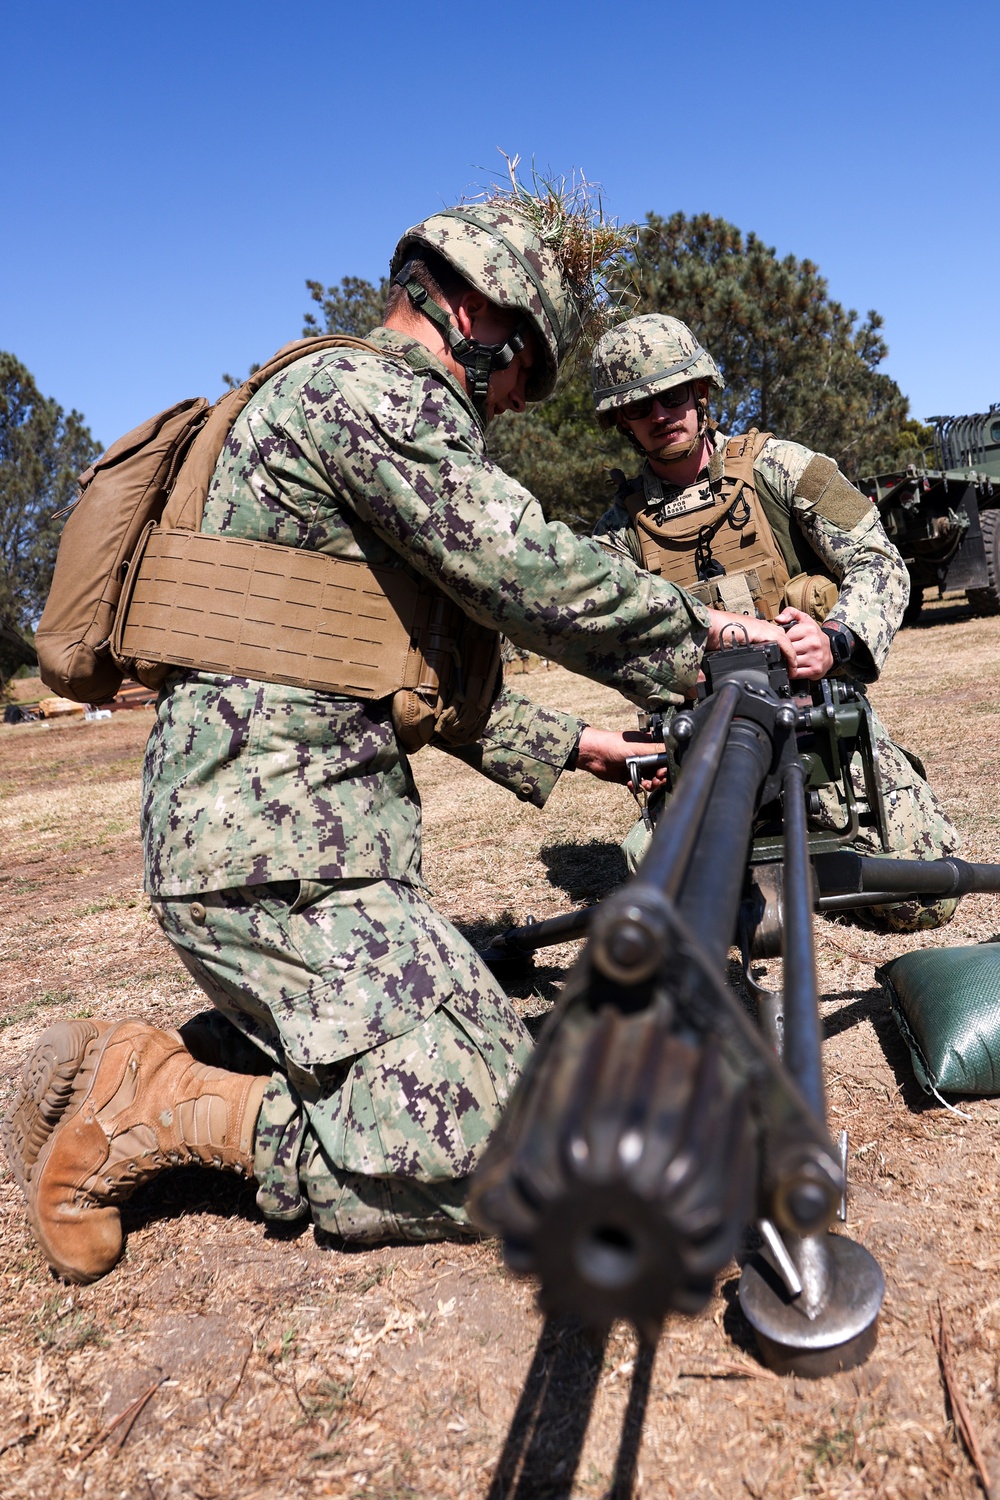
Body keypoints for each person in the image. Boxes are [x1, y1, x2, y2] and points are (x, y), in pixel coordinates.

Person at [4, 193, 800, 1285]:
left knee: (499, 1069)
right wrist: (709, 636)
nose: (519, 401)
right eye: (525, 370)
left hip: (291, 852)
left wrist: (578, 747)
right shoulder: (362, 393)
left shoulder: (326, 402)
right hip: (275, 866)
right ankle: (152, 1101)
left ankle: (161, 1057)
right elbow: (522, 568)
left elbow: (399, 672)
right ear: (482, 314)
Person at [590, 313, 959, 930]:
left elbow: (878, 560)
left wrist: (836, 637)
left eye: (673, 395)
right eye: (639, 407)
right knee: (683, 920)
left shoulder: (782, 469)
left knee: (923, 900)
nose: (660, 415)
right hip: (704, 747)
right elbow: (605, 635)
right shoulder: (615, 538)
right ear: (622, 422)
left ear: (701, 393)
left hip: (816, 725)